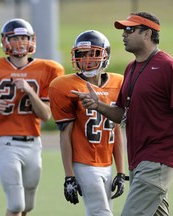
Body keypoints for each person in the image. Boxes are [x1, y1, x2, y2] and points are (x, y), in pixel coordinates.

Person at [72, 12, 173, 216]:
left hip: (158, 158)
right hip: (138, 158)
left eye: (130, 30)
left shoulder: (169, 67)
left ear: (147, 33)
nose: (124, 35)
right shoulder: (130, 68)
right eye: (124, 30)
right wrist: (98, 105)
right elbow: (123, 114)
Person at [0, 18, 64, 216]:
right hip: (5, 142)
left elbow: (46, 115)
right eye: (15, 37)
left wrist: (31, 92)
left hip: (33, 142)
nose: (20, 42)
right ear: (5, 41)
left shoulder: (48, 69)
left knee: (27, 206)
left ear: (32, 40)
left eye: (24, 37)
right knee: (16, 205)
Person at [48, 30, 125, 216]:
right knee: (102, 212)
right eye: (82, 54)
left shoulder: (119, 83)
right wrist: (69, 175)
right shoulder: (65, 86)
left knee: (98, 212)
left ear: (105, 55)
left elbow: (116, 128)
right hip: (83, 162)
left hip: (107, 162)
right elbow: (65, 134)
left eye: (93, 53)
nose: (87, 59)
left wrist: (121, 171)